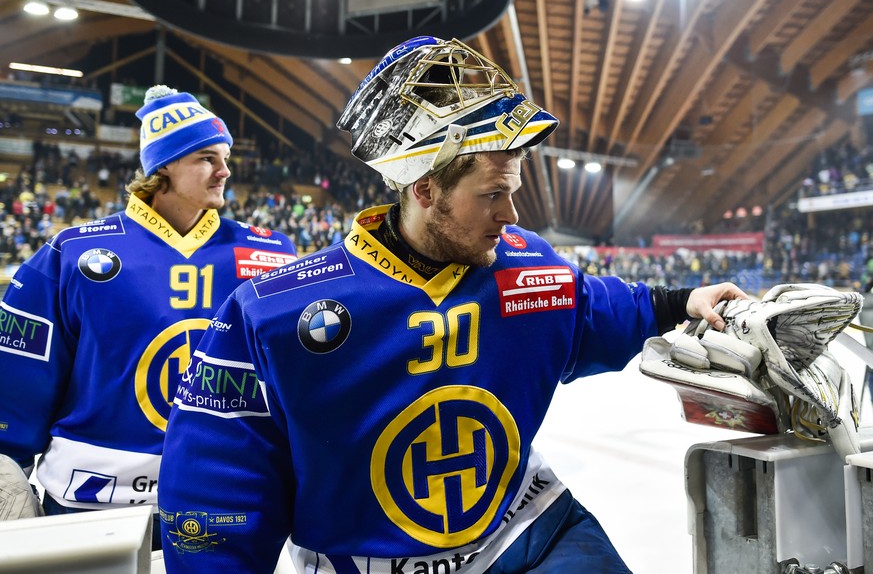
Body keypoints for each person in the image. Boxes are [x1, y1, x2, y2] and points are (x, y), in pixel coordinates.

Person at [157, 37, 746, 572]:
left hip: (526, 528)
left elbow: (591, 308)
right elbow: (217, 491)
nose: (511, 215)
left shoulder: (526, 263)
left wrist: (684, 300)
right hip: (363, 561)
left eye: (512, 192)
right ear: (425, 190)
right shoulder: (271, 313)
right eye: (492, 195)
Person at [0, 85, 297, 549]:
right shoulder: (72, 253)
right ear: (162, 167)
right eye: (206, 158)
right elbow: (20, 373)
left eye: (224, 157)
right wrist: (8, 460)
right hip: (91, 503)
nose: (225, 171)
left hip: (224, 498)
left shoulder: (269, 253)